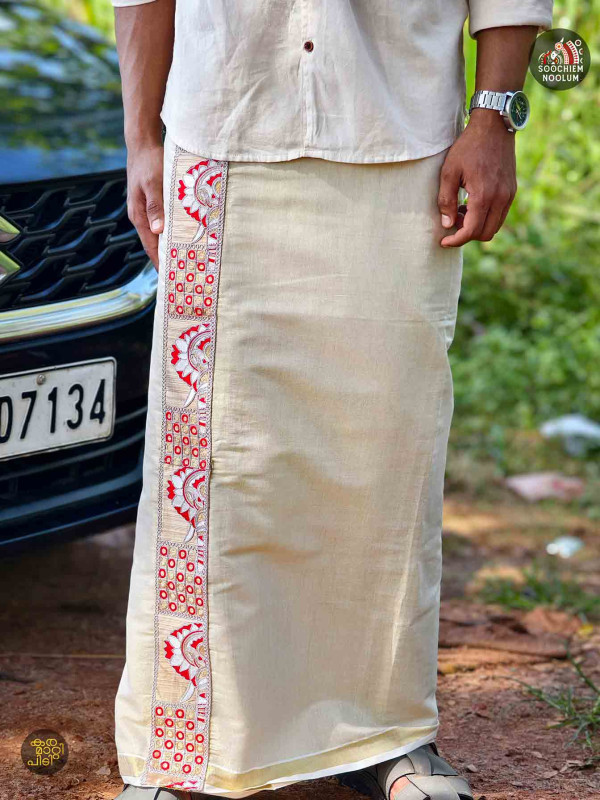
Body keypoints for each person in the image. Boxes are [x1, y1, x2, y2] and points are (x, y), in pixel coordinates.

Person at [110, 2, 553, 798]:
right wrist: (141, 138)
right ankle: (183, 749)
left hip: (402, 140)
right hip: (222, 131)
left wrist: (494, 118)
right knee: (213, 463)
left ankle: (386, 735)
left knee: (383, 458)